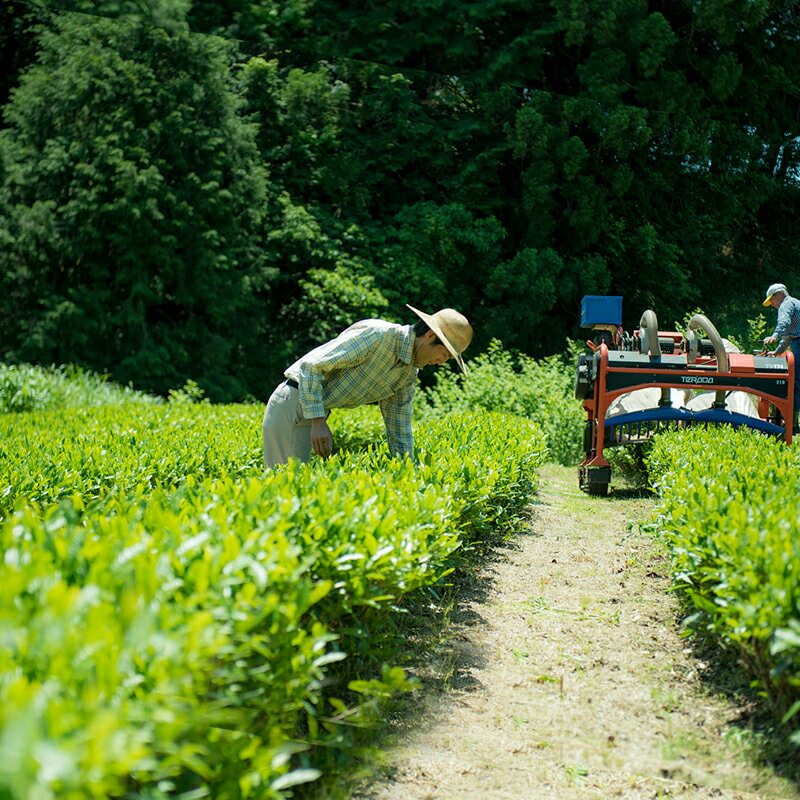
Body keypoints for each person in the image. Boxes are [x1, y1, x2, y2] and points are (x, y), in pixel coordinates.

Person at [262, 304, 473, 468]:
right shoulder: (378, 335)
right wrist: (318, 421)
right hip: (293, 403)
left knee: (296, 492)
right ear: (429, 336)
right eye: (444, 355)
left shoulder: (407, 373)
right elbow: (311, 367)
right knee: (285, 487)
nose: (441, 362)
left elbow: (399, 429)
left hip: (314, 411)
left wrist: (407, 471)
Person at [762, 282, 800, 432]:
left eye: (772, 300)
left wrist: (774, 336)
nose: (772, 304)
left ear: (779, 294)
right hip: (797, 342)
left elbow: (784, 323)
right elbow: (789, 337)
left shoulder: (786, 304)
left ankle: (792, 425)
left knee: (794, 381)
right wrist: (777, 351)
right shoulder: (796, 303)